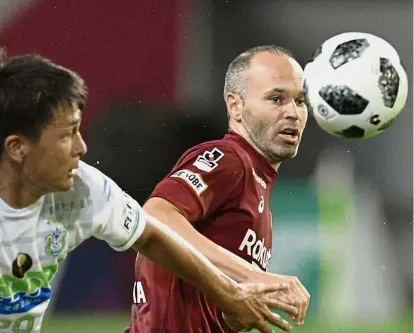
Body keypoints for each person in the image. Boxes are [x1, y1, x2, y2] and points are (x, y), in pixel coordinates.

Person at [0, 49, 298, 333]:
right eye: (67, 135)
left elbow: (152, 235)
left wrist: (231, 293)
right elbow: (161, 214)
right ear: (17, 148)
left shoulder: (85, 190)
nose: (81, 147)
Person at [127, 45, 311, 333]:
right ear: (235, 106)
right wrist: (252, 275)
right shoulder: (228, 159)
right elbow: (155, 215)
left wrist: (232, 320)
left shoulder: (258, 193)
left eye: (300, 101)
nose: (293, 113)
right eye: (276, 98)